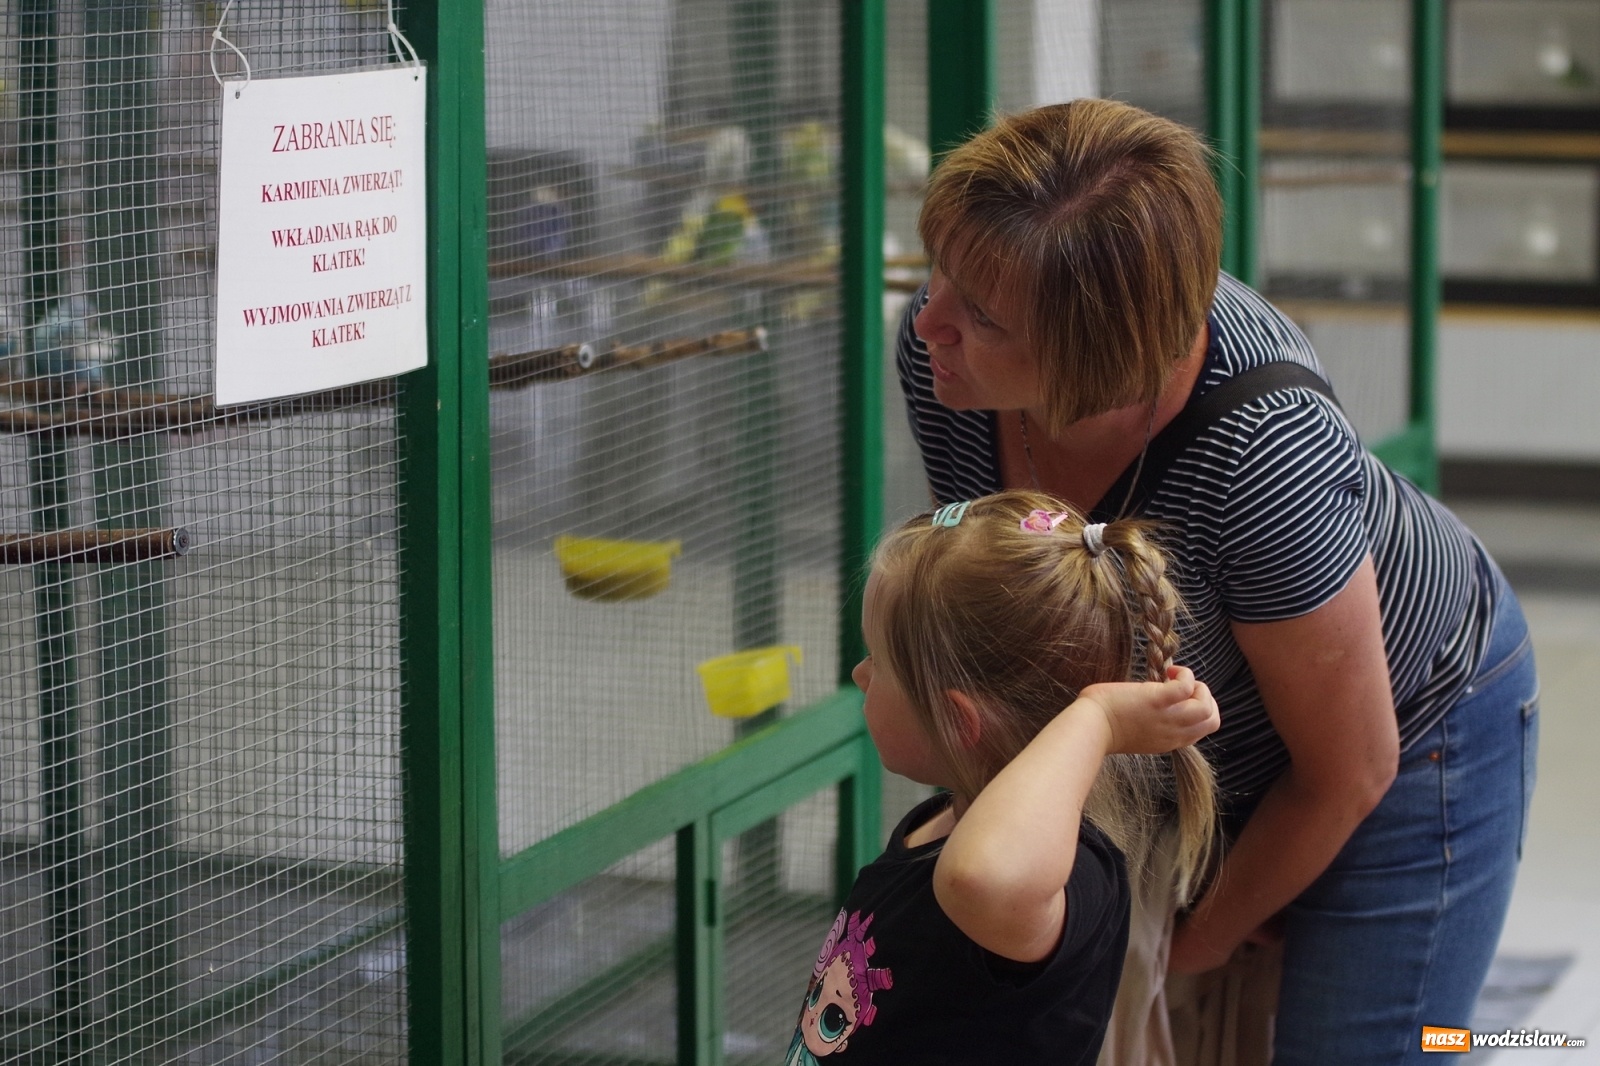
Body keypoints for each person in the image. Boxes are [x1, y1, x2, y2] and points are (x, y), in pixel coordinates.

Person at [895, 98, 1539, 1064]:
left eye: (981, 314)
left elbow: (1348, 771)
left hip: (1410, 732)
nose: (930, 320)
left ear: (1102, 353)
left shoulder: (1262, 446)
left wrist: (1198, 934)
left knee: (1360, 1045)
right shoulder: (946, 360)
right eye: (938, 270)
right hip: (1205, 736)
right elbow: (1023, 622)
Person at [785, 490, 1220, 1065]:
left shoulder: (1069, 878)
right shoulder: (944, 820)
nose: (859, 674)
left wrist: (1097, 718)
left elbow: (981, 881)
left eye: (879, 660)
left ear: (958, 719)